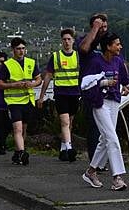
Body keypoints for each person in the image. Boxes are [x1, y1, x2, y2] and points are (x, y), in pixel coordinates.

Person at [81, 32, 129, 191]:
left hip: (114, 102)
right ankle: (117, 178)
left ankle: (90, 172)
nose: (120, 47)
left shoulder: (118, 61)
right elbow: (86, 84)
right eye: (117, 44)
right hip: (99, 104)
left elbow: (128, 83)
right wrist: (105, 82)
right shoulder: (95, 61)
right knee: (112, 138)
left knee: (105, 139)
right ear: (108, 46)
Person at [0, 37, 42, 166]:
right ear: (13, 50)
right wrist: (13, 85)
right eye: (18, 49)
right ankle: (22, 152)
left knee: (24, 129)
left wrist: (32, 84)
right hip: (14, 101)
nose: (21, 51)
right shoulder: (7, 65)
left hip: (28, 100)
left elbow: (39, 79)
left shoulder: (31, 63)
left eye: (23, 48)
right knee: (17, 128)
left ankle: (17, 153)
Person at [38, 28, 80, 162]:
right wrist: (42, 95)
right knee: (64, 121)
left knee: (70, 123)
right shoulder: (56, 57)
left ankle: (62, 149)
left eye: (69, 39)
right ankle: (69, 148)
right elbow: (48, 77)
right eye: (64, 39)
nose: (66, 42)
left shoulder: (78, 56)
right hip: (61, 93)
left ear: (73, 40)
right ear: (61, 41)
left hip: (74, 94)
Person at [76, 13, 110, 163]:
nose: (103, 29)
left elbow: (118, 60)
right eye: (99, 26)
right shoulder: (85, 40)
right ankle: (95, 162)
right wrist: (95, 29)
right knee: (94, 126)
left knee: (107, 127)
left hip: (108, 88)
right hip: (91, 90)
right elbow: (83, 49)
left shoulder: (108, 42)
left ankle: (104, 159)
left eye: (105, 26)